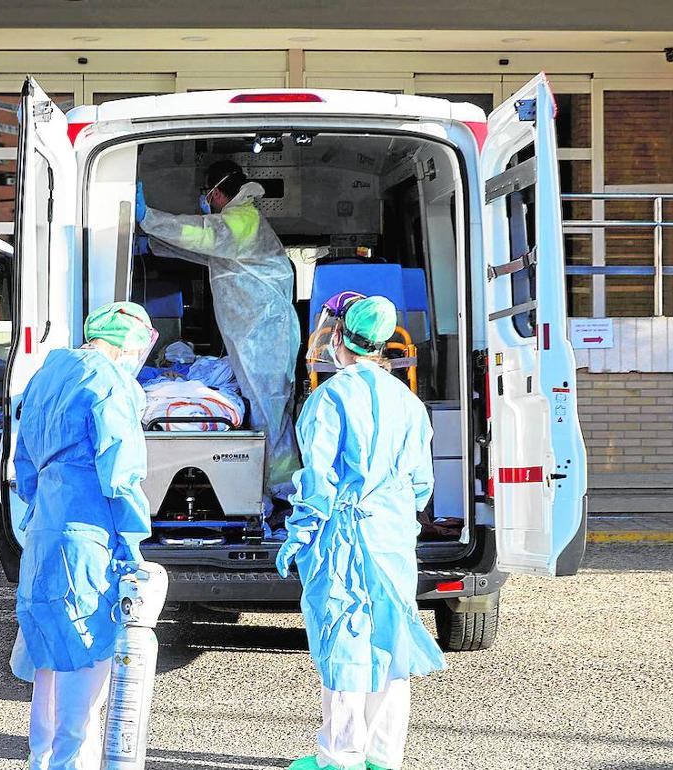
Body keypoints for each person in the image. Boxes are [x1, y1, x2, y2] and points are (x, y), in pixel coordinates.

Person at [276, 296, 445, 770]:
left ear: (337, 339)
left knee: (344, 642)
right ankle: (382, 757)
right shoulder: (409, 404)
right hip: (392, 538)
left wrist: (301, 533)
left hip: (343, 537)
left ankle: (339, 756)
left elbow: (319, 480)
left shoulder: (328, 399)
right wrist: (392, 516)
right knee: (392, 645)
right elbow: (420, 485)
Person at [8, 301, 157, 770]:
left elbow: (24, 462)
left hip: (44, 532)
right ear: (131, 343)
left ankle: (41, 760)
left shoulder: (46, 375)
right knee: (85, 658)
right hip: (87, 535)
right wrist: (133, 545)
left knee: (48, 659)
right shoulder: (110, 383)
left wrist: (42, 508)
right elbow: (120, 474)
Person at [136, 160, 301, 510]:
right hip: (257, 337)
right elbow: (205, 250)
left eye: (208, 198)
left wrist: (149, 218)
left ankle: (283, 493)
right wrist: (153, 244)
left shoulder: (243, 220)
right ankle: (274, 489)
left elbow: (205, 235)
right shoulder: (240, 226)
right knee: (266, 412)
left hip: (265, 337)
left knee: (270, 414)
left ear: (217, 193)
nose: (207, 205)